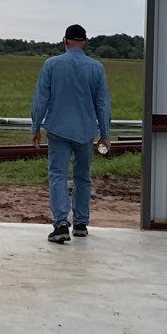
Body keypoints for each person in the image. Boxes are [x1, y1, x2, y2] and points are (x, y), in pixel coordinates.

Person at [29, 23, 113, 244]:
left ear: (65, 41)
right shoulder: (96, 68)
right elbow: (102, 103)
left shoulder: (51, 65)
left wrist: (35, 127)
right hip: (85, 131)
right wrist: (105, 133)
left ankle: (60, 225)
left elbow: (41, 100)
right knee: (83, 176)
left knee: (58, 175)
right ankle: (81, 224)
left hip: (58, 129)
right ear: (84, 42)